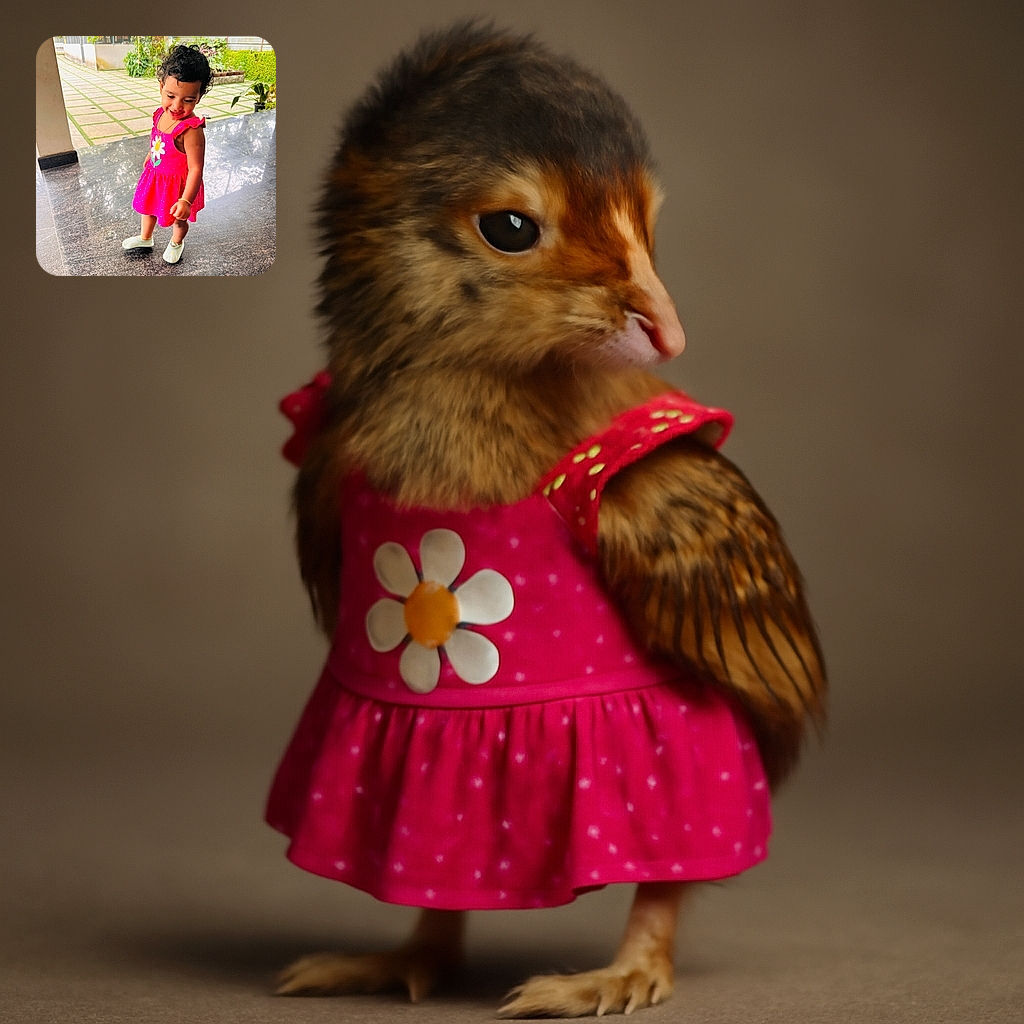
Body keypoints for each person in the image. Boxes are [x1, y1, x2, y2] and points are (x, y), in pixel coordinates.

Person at [122, 45, 210, 265]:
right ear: (161, 87)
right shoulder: (161, 113)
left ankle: (176, 242)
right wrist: (150, 155)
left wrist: (186, 200)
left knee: (178, 218)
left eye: (188, 100)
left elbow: (196, 168)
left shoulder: (191, 130)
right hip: (156, 174)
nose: (177, 106)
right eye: (171, 95)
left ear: (198, 97)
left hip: (178, 186)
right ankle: (145, 238)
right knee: (147, 207)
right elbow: (157, 139)